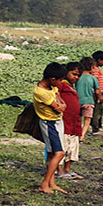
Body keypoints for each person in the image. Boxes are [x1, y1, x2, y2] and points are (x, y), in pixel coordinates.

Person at [33, 63, 68, 194]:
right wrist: (61, 105)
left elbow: (61, 101)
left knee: (53, 153)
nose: (60, 83)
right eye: (59, 80)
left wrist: (61, 104)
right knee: (60, 153)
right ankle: (44, 183)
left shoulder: (51, 87)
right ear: (53, 79)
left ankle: (51, 183)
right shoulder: (41, 92)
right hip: (50, 123)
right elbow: (58, 106)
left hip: (57, 122)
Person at [56, 64, 83, 179]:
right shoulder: (61, 85)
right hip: (64, 121)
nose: (76, 77)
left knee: (73, 147)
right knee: (63, 145)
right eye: (74, 74)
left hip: (74, 123)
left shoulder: (72, 87)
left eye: (78, 75)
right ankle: (59, 169)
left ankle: (68, 168)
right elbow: (56, 95)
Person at [74, 56, 98, 141]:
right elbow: (97, 91)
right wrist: (99, 98)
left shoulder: (77, 77)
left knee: (79, 119)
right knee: (87, 120)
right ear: (91, 67)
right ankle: (82, 136)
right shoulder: (93, 78)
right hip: (88, 102)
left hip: (77, 101)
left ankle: (77, 133)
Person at [89, 50, 103, 133]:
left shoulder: (95, 68)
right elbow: (95, 82)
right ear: (99, 60)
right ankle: (95, 128)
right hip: (97, 93)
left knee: (99, 110)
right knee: (97, 111)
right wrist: (99, 94)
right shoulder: (95, 69)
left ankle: (98, 126)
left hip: (99, 92)